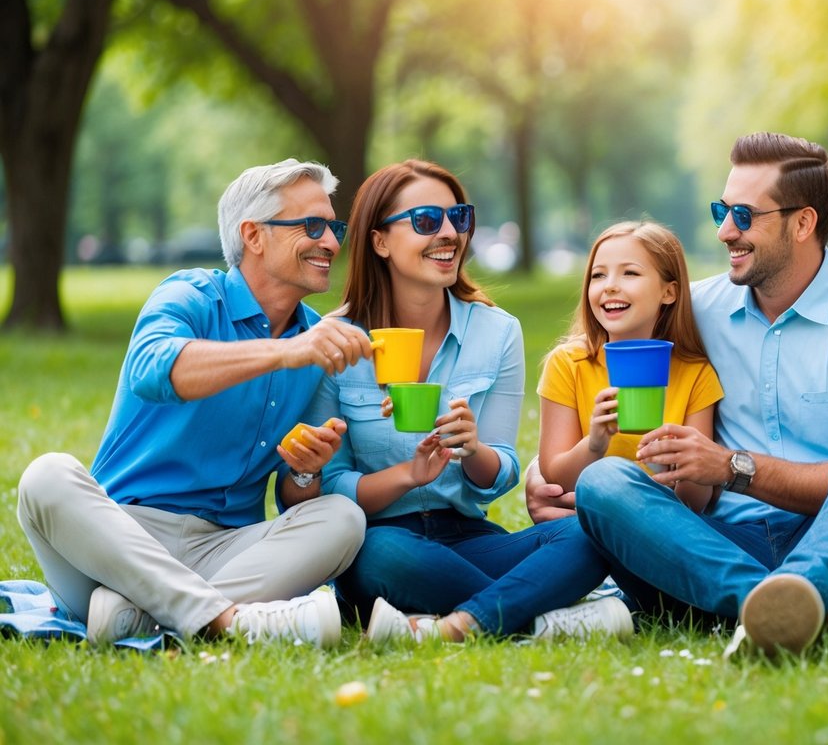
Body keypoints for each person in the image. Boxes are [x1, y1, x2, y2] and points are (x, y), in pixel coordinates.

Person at [533, 132, 828, 656]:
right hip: (713, 549)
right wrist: (545, 470)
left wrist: (732, 466)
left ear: (803, 223)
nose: (726, 230)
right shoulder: (696, 311)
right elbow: (591, 352)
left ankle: (791, 603)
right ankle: (819, 616)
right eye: (721, 210)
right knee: (604, 482)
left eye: (745, 216)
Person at [17, 159, 372, 647]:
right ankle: (228, 623)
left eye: (334, 227)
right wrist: (286, 352)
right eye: (312, 226)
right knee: (46, 475)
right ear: (254, 235)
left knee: (343, 518)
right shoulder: (191, 295)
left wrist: (307, 472)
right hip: (118, 542)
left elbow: (293, 493)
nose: (332, 243)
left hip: (226, 549)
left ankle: (144, 615)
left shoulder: (316, 339)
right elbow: (153, 369)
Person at [298, 159, 631, 644]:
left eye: (460, 218)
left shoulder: (496, 332)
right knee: (383, 554)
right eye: (427, 221)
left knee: (592, 533)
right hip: (382, 538)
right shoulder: (336, 339)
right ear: (380, 241)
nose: (450, 234)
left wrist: (473, 448)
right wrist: (407, 476)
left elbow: (502, 472)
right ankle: (541, 616)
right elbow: (329, 485)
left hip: (470, 538)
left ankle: (465, 624)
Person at [538, 221, 723, 515]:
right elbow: (555, 477)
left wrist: (686, 465)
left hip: (662, 526)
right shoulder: (567, 365)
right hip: (583, 527)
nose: (610, 285)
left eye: (630, 273)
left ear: (669, 292)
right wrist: (594, 444)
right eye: (598, 275)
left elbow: (694, 504)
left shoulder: (695, 374)